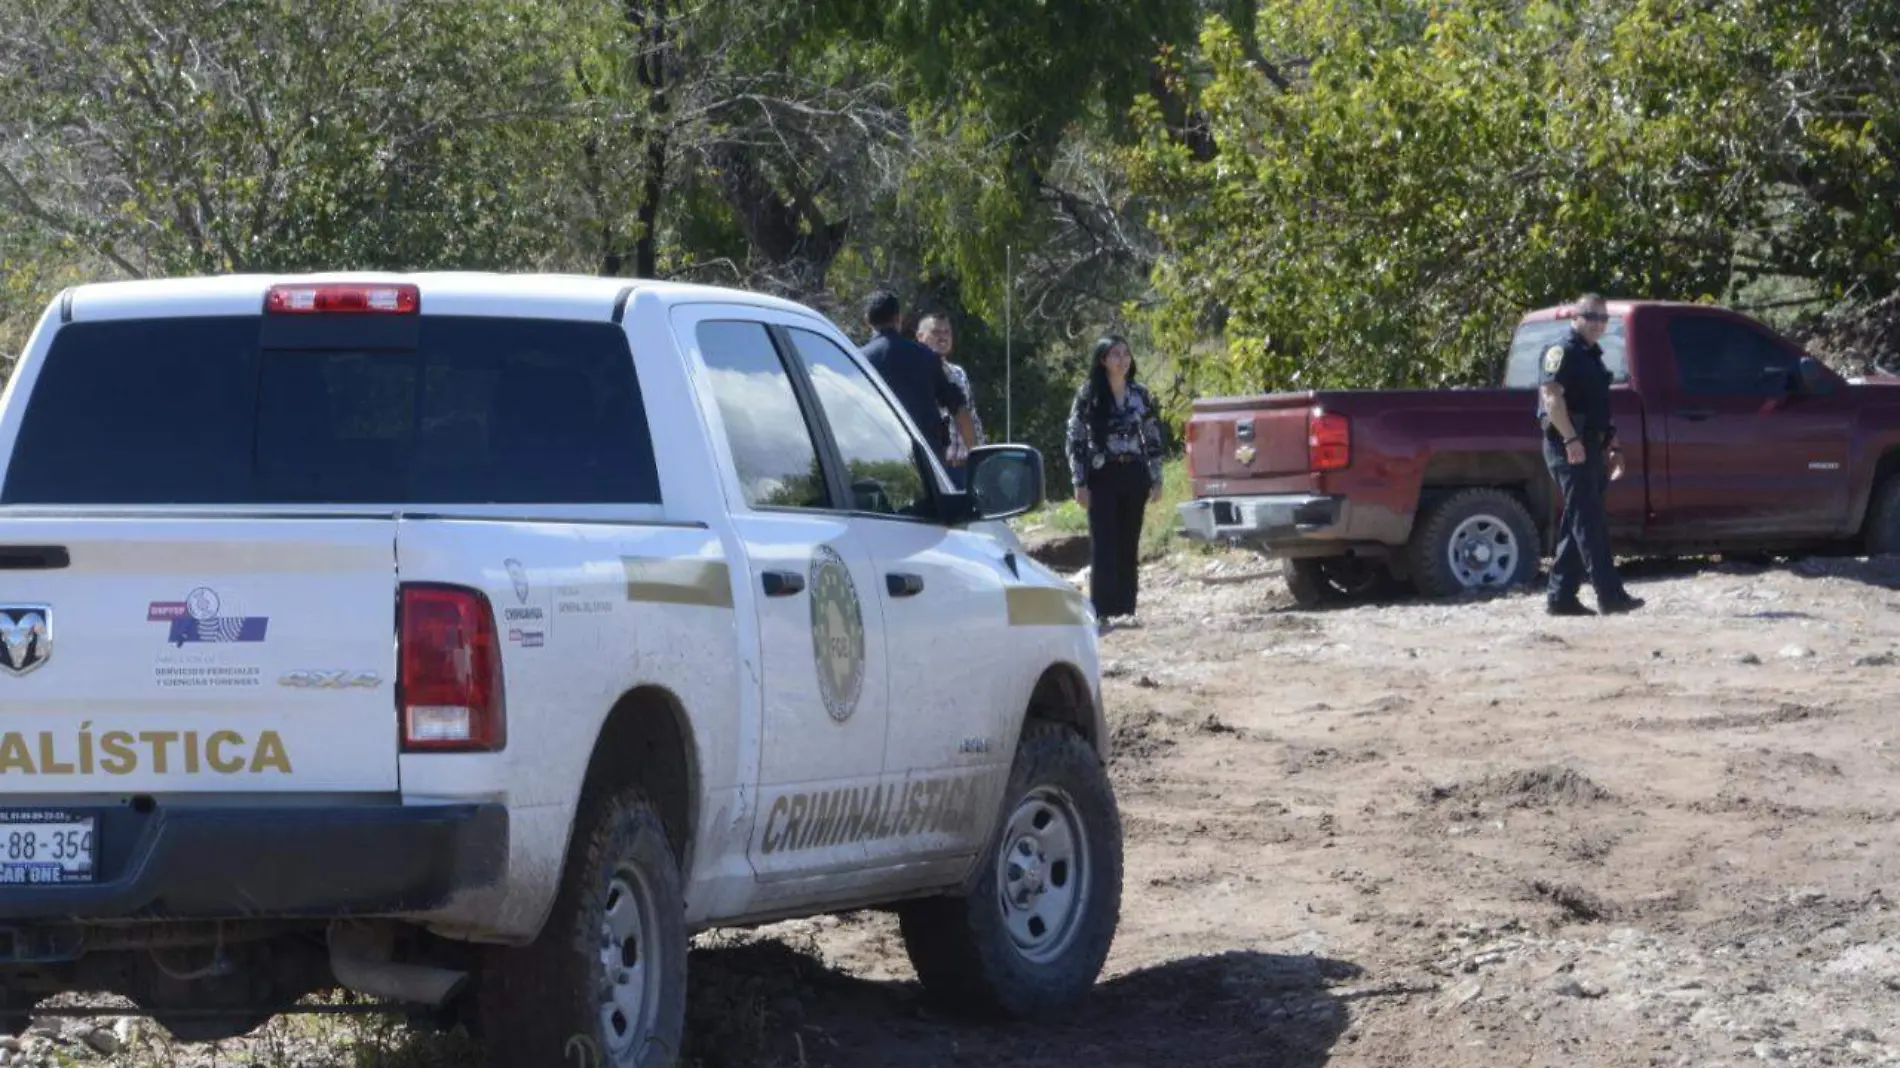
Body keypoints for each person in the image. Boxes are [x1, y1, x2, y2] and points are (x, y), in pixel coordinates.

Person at [1537, 293, 1644, 616]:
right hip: (1569, 446)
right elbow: (1551, 399)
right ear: (1575, 316)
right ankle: (1610, 596)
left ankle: (1561, 598)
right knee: (1590, 522)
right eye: (1591, 316)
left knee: (1577, 521)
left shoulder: (1592, 356)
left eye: (1603, 318)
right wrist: (1571, 440)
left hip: (1592, 445)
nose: (1598, 324)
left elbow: (1600, 407)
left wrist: (1613, 445)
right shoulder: (1562, 351)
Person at [1065, 335, 1164, 632]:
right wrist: (1079, 481)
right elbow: (1075, 438)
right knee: (1104, 541)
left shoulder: (1140, 394)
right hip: (1101, 475)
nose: (1122, 360)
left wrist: (1156, 477)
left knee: (1128, 541)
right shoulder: (1089, 395)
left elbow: (1153, 435)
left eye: (1126, 354)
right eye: (1115, 354)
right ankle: (1102, 609)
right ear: (1102, 361)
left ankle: (1126, 607)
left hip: (1133, 472)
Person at [859, 291, 976, 476]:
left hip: (875, 462)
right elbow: (959, 409)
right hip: (927, 464)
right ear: (899, 318)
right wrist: (974, 454)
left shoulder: (859, 361)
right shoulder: (927, 357)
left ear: (867, 321)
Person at [917, 310, 984, 488]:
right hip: (935, 468)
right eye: (936, 333)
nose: (943, 338)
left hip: (963, 468)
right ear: (920, 337)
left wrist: (980, 456)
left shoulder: (958, 373)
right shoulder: (916, 373)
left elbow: (971, 417)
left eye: (947, 332)